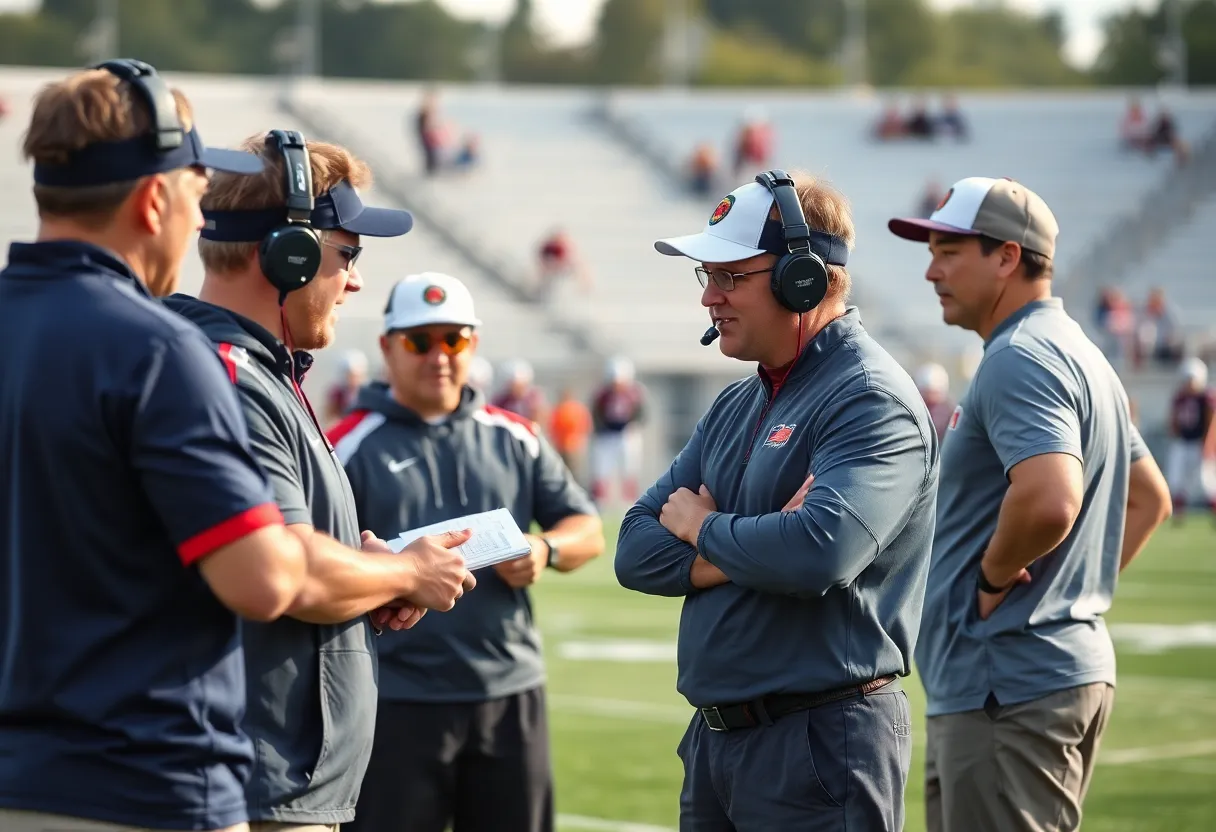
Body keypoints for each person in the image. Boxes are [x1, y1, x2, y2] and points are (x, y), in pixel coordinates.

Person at [0, 61, 310, 832]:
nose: (200, 223)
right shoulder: (156, 350)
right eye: (197, 196)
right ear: (152, 199)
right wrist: (383, 566)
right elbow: (261, 582)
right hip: (141, 785)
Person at [166, 132, 477, 832]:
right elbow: (289, 568)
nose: (357, 280)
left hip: (274, 777)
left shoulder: (260, 372)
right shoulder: (229, 379)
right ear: (288, 254)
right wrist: (400, 576)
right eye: (348, 255)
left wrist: (368, 575)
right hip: (255, 783)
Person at [615, 170, 939, 831]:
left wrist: (702, 527)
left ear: (805, 278)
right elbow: (636, 548)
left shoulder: (869, 398)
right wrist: (738, 543)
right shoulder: (741, 399)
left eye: (730, 276)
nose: (709, 297)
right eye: (705, 277)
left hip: (820, 743)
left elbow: (819, 552)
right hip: (718, 743)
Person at [888, 175, 1174, 832]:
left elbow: (1050, 500)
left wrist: (995, 582)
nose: (931, 270)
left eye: (949, 251)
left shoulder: (1020, 356)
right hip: (1032, 674)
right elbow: (1150, 500)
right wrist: (1065, 594)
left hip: (1005, 682)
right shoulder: (1080, 355)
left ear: (1007, 257)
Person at [330, 272, 604, 832]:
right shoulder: (345, 445)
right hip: (395, 699)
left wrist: (545, 547)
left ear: (473, 344)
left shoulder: (516, 435)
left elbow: (587, 528)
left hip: (509, 692)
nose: (438, 355)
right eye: (419, 340)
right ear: (387, 347)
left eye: (453, 339)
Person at [589, 356, 646, 505]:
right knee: (602, 470)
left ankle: (629, 502)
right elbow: (596, 412)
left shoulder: (635, 392)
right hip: (607, 434)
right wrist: (600, 429)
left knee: (629, 469)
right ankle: (600, 502)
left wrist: (633, 425)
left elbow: (641, 413)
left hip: (626, 433)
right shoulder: (603, 394)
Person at [1166, 357, 1216, 520]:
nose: (1189, 383)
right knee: (1176, 477)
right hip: (1183, 441)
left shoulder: (1206, 397)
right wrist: (1174, 432)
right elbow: (1173, 419)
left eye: (1192, 379)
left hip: (1198, 442)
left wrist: (1208, 443)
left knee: (1205, 480)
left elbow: (1211, 421)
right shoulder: (1180, 397)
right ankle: (1179, 514)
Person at [549, 386, 594, 482]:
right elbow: (554, 427)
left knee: (574, 470)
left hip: (573, 445)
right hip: (562, 445)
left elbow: (584, 424)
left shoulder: (576, 409)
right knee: (563, 469)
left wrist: (580, 440)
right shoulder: (559, 410)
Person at [326, 348, 370, 426]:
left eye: (356, 376)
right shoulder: (338, 393)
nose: (353, 379)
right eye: (350, 375)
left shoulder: (367, 393)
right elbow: (330, 417)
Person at [916, 361, 955, 441]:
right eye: (927, 393)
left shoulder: (951, 414)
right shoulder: (914, 411)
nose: (932, 399)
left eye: (935, 393)